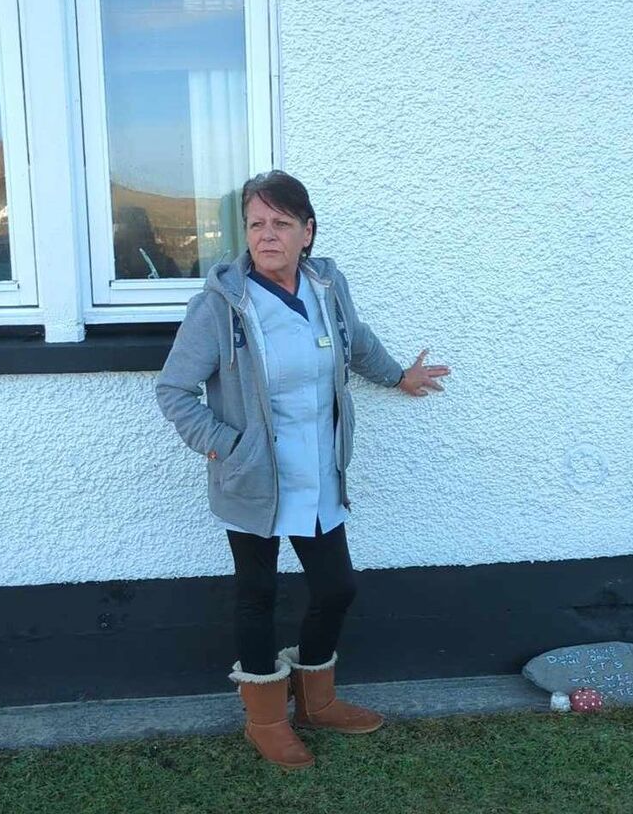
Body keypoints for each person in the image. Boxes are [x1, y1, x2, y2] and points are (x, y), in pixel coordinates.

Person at [155, 170, 450, 771]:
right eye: (257, 224)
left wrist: (398, 376)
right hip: (253, 478)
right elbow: (175, 391)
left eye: (282, 223)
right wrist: (226, 446)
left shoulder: (326, 286)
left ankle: (317, 702)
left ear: (306, 232)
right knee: (257, 595)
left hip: (319, 472)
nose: (268, 235)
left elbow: (357, 341)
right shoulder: (219, 306)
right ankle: (265, 720)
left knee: (337, 586)